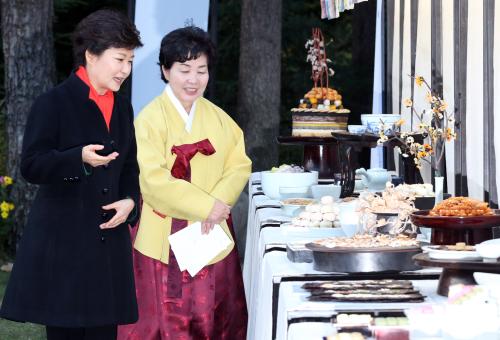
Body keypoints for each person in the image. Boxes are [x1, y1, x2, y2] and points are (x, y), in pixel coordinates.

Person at [0, 9, 143, 340]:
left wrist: (129, 203)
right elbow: (31, 165)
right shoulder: (53, 103)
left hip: (108, 254)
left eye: (131, 61)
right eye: (120, 59)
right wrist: (76, 158)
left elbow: (130, 167)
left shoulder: (122, 106)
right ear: (91, 55)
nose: (126, 69)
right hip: (65, 251)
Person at [117, 26, 251, 340]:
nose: (193, 79)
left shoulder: (219, 119)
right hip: (162, 240)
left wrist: (217, 205)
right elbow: (153, 182)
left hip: (209, 237)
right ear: (166, 70)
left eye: (201, 70)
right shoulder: (149, 120)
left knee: (214, 317)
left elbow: (239, 163)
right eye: (184, 69)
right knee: (160, 323)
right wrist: (207, 207)